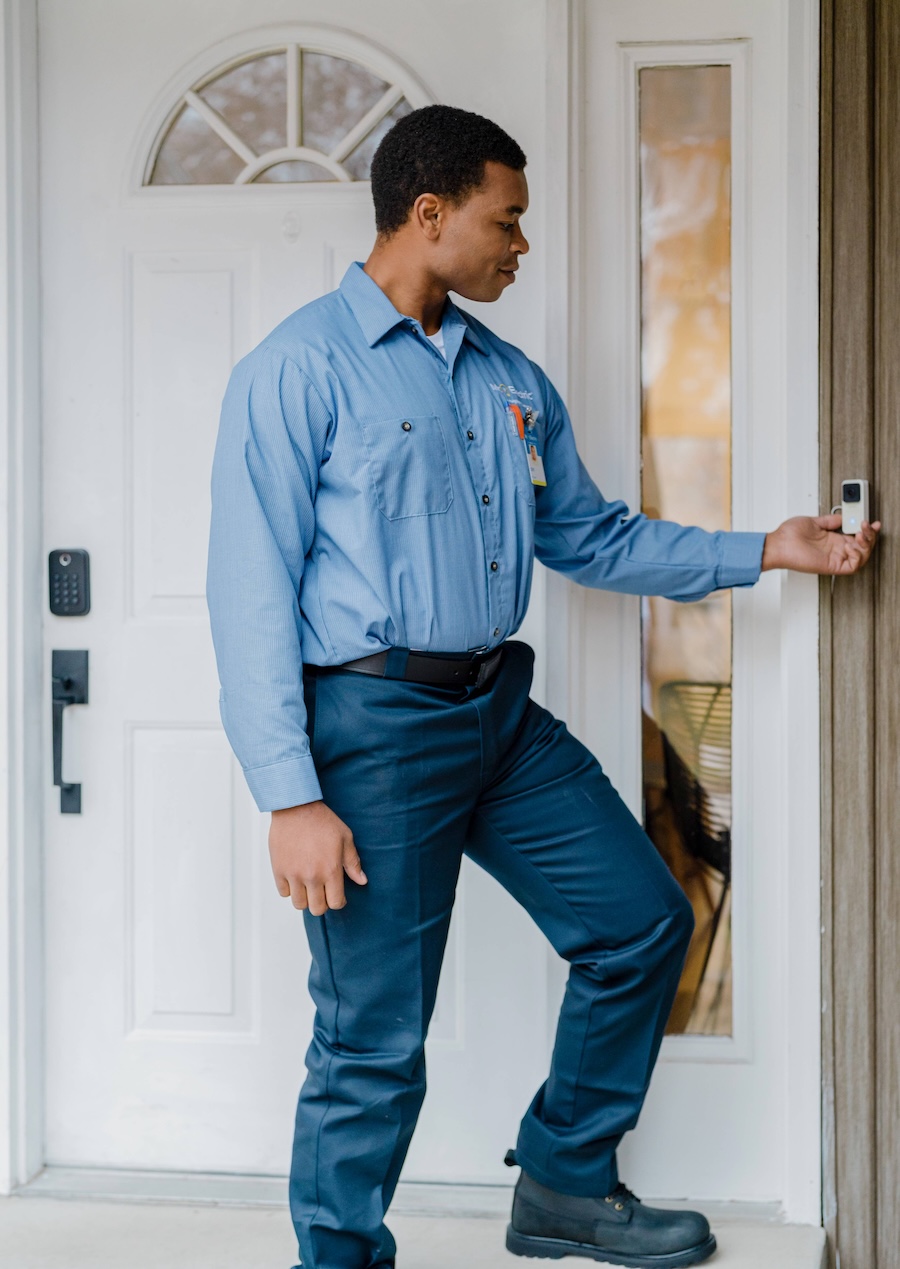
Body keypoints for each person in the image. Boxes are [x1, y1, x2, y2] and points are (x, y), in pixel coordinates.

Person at [206, 105, 879, 1269]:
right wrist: (290, 794)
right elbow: (248, 593)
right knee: (373, 1040)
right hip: (370, 731)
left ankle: (565, 1180)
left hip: (499, 718)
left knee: (640, 921)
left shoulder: (509, 380)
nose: (521, 246)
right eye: (505, 222)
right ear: (430, 216)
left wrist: (766, 548)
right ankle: (341, 1256)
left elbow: (593, 538)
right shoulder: (295, 370)